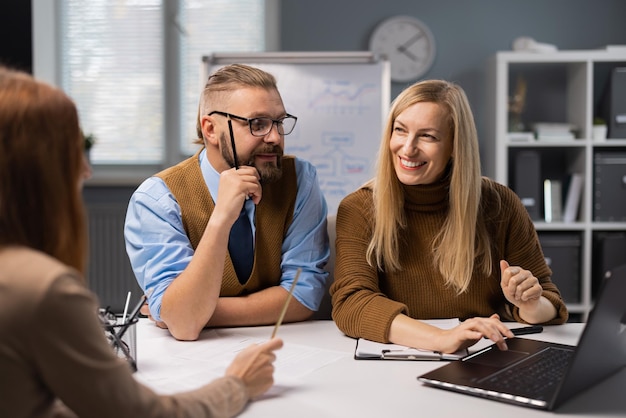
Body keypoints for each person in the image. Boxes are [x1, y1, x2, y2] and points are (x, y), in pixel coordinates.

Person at [0, 66, 283, 418]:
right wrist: (238, 384)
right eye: (71, 152)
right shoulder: (40, 289)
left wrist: (179, 310)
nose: (85, 171)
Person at [330, 79, 568, 354]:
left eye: (427, 136)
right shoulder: (360, 208)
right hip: (402, 359)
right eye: (400, 131)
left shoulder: (500, 204)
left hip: (488, 354)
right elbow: (351, 303)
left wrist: (531, 304)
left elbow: (550, 299)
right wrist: (441, 338)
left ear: (455, 145)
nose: (408, 148)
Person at [124, 64, 329, 341]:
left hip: (284, 348)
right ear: (210, 129)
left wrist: (195, 312)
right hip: (188, 362)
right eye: (257, 124)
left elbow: (303, 297)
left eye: (279, 122)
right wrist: (221, 218)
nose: (275, 137)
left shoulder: (300, 179)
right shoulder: (156, 200)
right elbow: (185, 327)